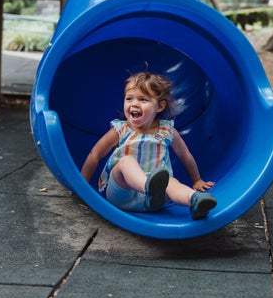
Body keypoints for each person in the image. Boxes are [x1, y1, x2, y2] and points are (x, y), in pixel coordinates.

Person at [80, 72, 217, 220]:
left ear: (159, 106)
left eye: (143, 99)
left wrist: (196, 180)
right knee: (126, 162)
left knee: (171, 182)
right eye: (129, 98)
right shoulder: (121, 129)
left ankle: (195, 200)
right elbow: (95, 154)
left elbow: (185, 155)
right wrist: (82, 186)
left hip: (154, 202)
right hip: (121, 194)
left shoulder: (167, 131)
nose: (134, 104)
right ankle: (149, 187)